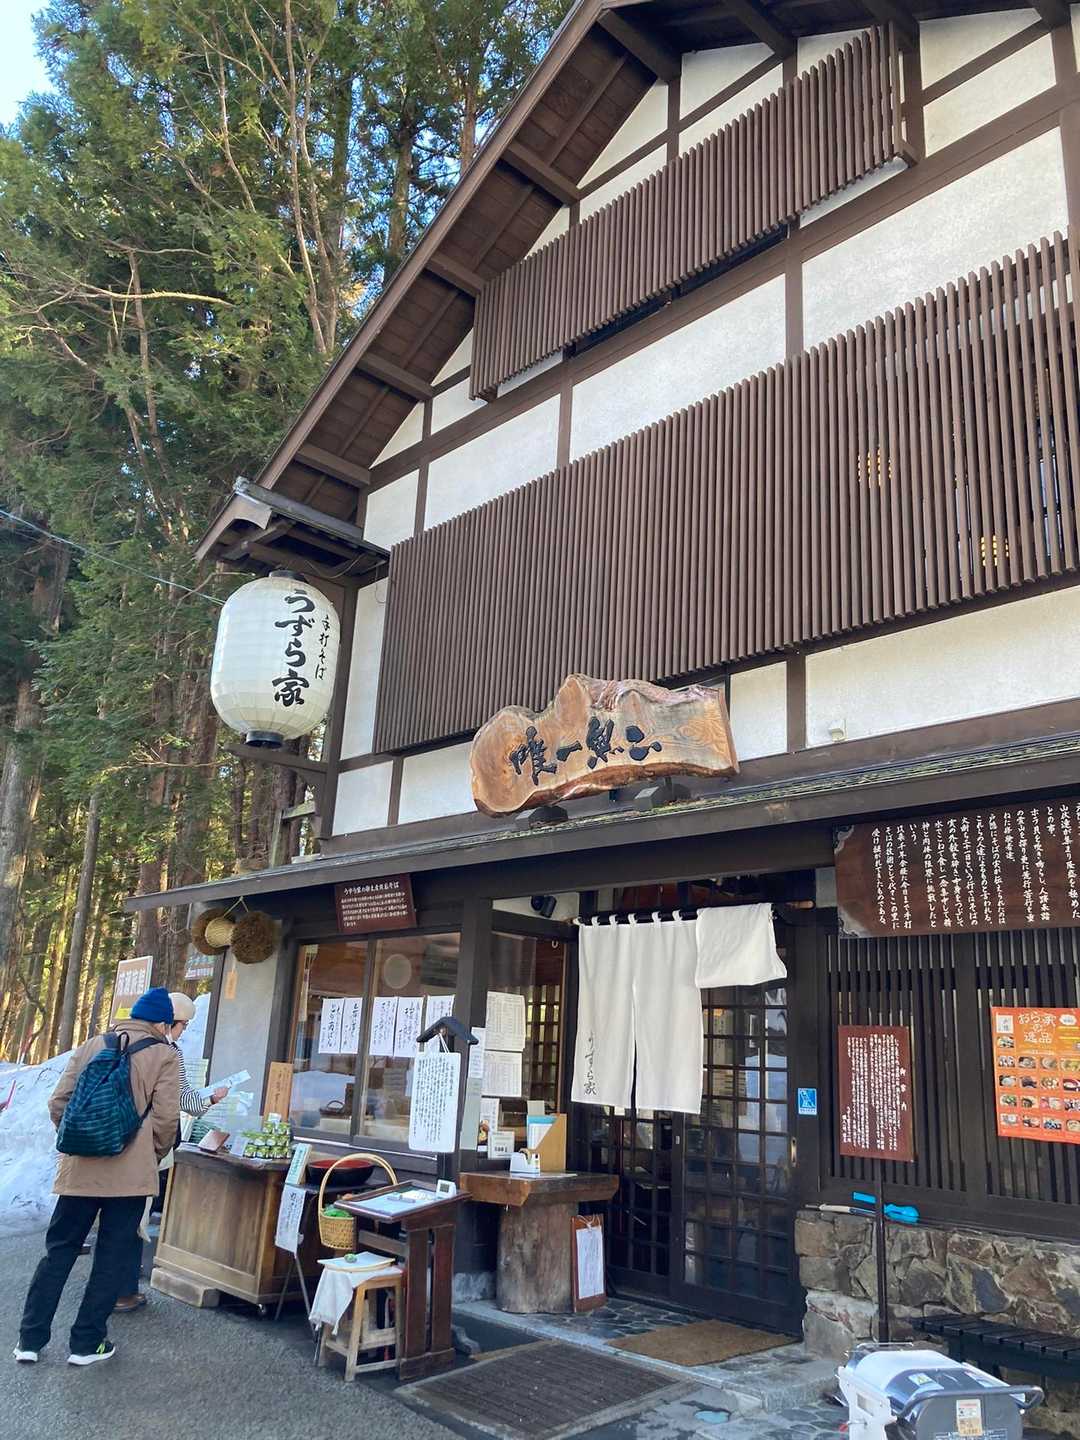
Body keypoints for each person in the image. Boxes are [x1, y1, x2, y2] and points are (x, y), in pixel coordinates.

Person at [14, 987, 180, 1367]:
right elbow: (166, 1119)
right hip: (129, 1178)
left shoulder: (92, 1044)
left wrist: (82, 1138)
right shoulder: (163, 1055)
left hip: (79, 1172)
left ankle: (30, 1340)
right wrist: (150, 1154)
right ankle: (87, 1344)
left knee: (59, 1251)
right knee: (110, 1257)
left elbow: (58, 1102)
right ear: (161, 1024)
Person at [113, 991, 227, 1313]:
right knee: (135, 1218)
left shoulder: (114, 1042)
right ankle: (122, 1291)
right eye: (183, 1025)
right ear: (168, 1022)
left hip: (111, 1142)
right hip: (145, 1149)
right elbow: (181, 1103)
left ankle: (113, 1289)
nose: (183, 1031)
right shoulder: (169, 1053)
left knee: (117, 1217)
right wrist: (211, 1099)